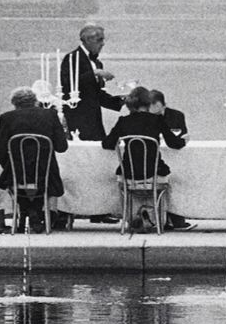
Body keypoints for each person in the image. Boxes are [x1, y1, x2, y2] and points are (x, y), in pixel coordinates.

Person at [102, 87, 187, 232]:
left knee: (124, 184)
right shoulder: (157, 120)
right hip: (152, 172)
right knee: (171, 179)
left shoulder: (123, 121)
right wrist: (184, 140)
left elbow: (107, 144)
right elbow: (174, 144)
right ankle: (160, 220)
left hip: (129, 173)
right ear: (148, 103)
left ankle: (132, 218)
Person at [0, 86, 69, 233]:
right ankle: (35, 210)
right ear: (35, 101)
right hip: (45, 171)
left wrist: (9, 165)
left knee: (15, 177)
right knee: (43, 175)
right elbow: (61, 147)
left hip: (18, 171)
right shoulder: (50, 115)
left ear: (14, 103)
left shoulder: (6, 118)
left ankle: (25, 211)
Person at [59, 24, 124, 141]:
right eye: (99, 40)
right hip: (77, 117)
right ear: (88, 40)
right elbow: (68, 83)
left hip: (94, 119)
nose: (103, 43)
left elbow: (96, 95)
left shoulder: (97, 62)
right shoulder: (71, 58)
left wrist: (123, 100)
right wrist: (95, 72)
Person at [149, 89, 192, 230]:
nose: (153, 108)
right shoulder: (144, 116)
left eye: (156, 104)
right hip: (153, 158)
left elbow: (181, 135)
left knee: (177, 181)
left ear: (163, 104)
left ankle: (176, 217)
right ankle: (159, 218)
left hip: (173, 155)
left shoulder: (176, 115)